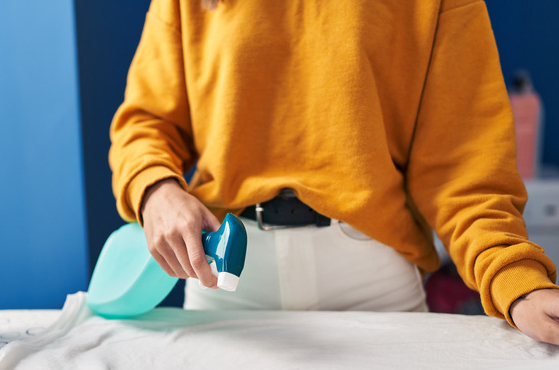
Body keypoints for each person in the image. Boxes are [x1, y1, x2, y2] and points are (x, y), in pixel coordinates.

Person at [109, 0, 559, 344]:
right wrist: (157, 190)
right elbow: (145, 124)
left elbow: (465, 164)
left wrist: (516, 282)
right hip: (223, 280)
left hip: (374, 286)